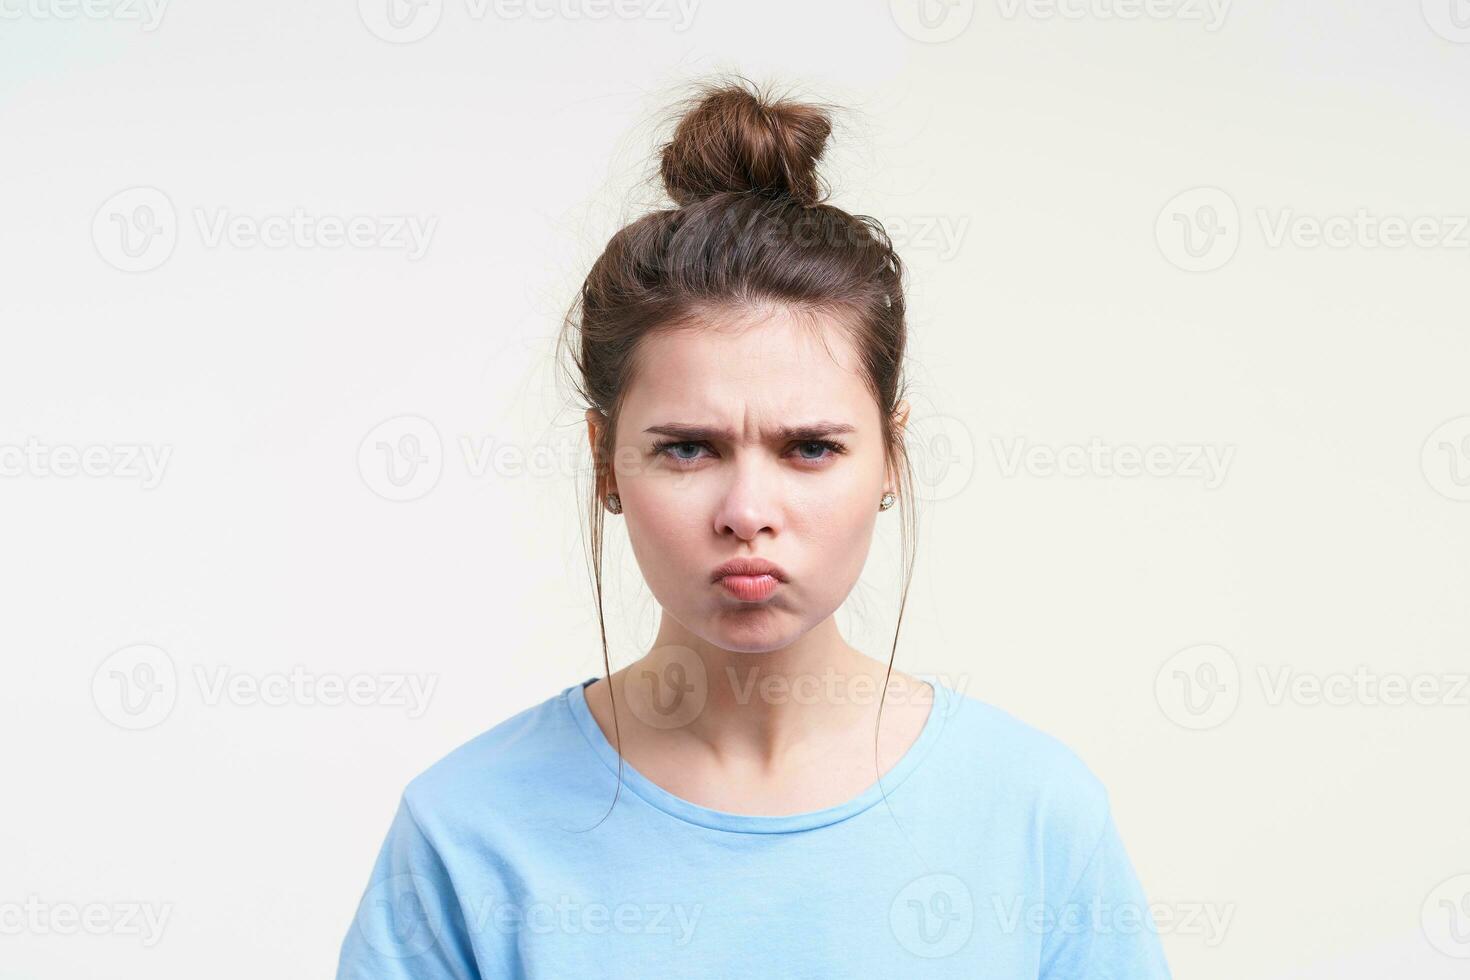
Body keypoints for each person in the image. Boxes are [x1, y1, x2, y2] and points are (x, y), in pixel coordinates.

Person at [334, 75, 1173, 979]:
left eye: (810, 447)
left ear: (889, 459)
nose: (746, 514)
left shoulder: (1035, 817)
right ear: (604, 459)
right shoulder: (466, 836)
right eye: (689, 449)